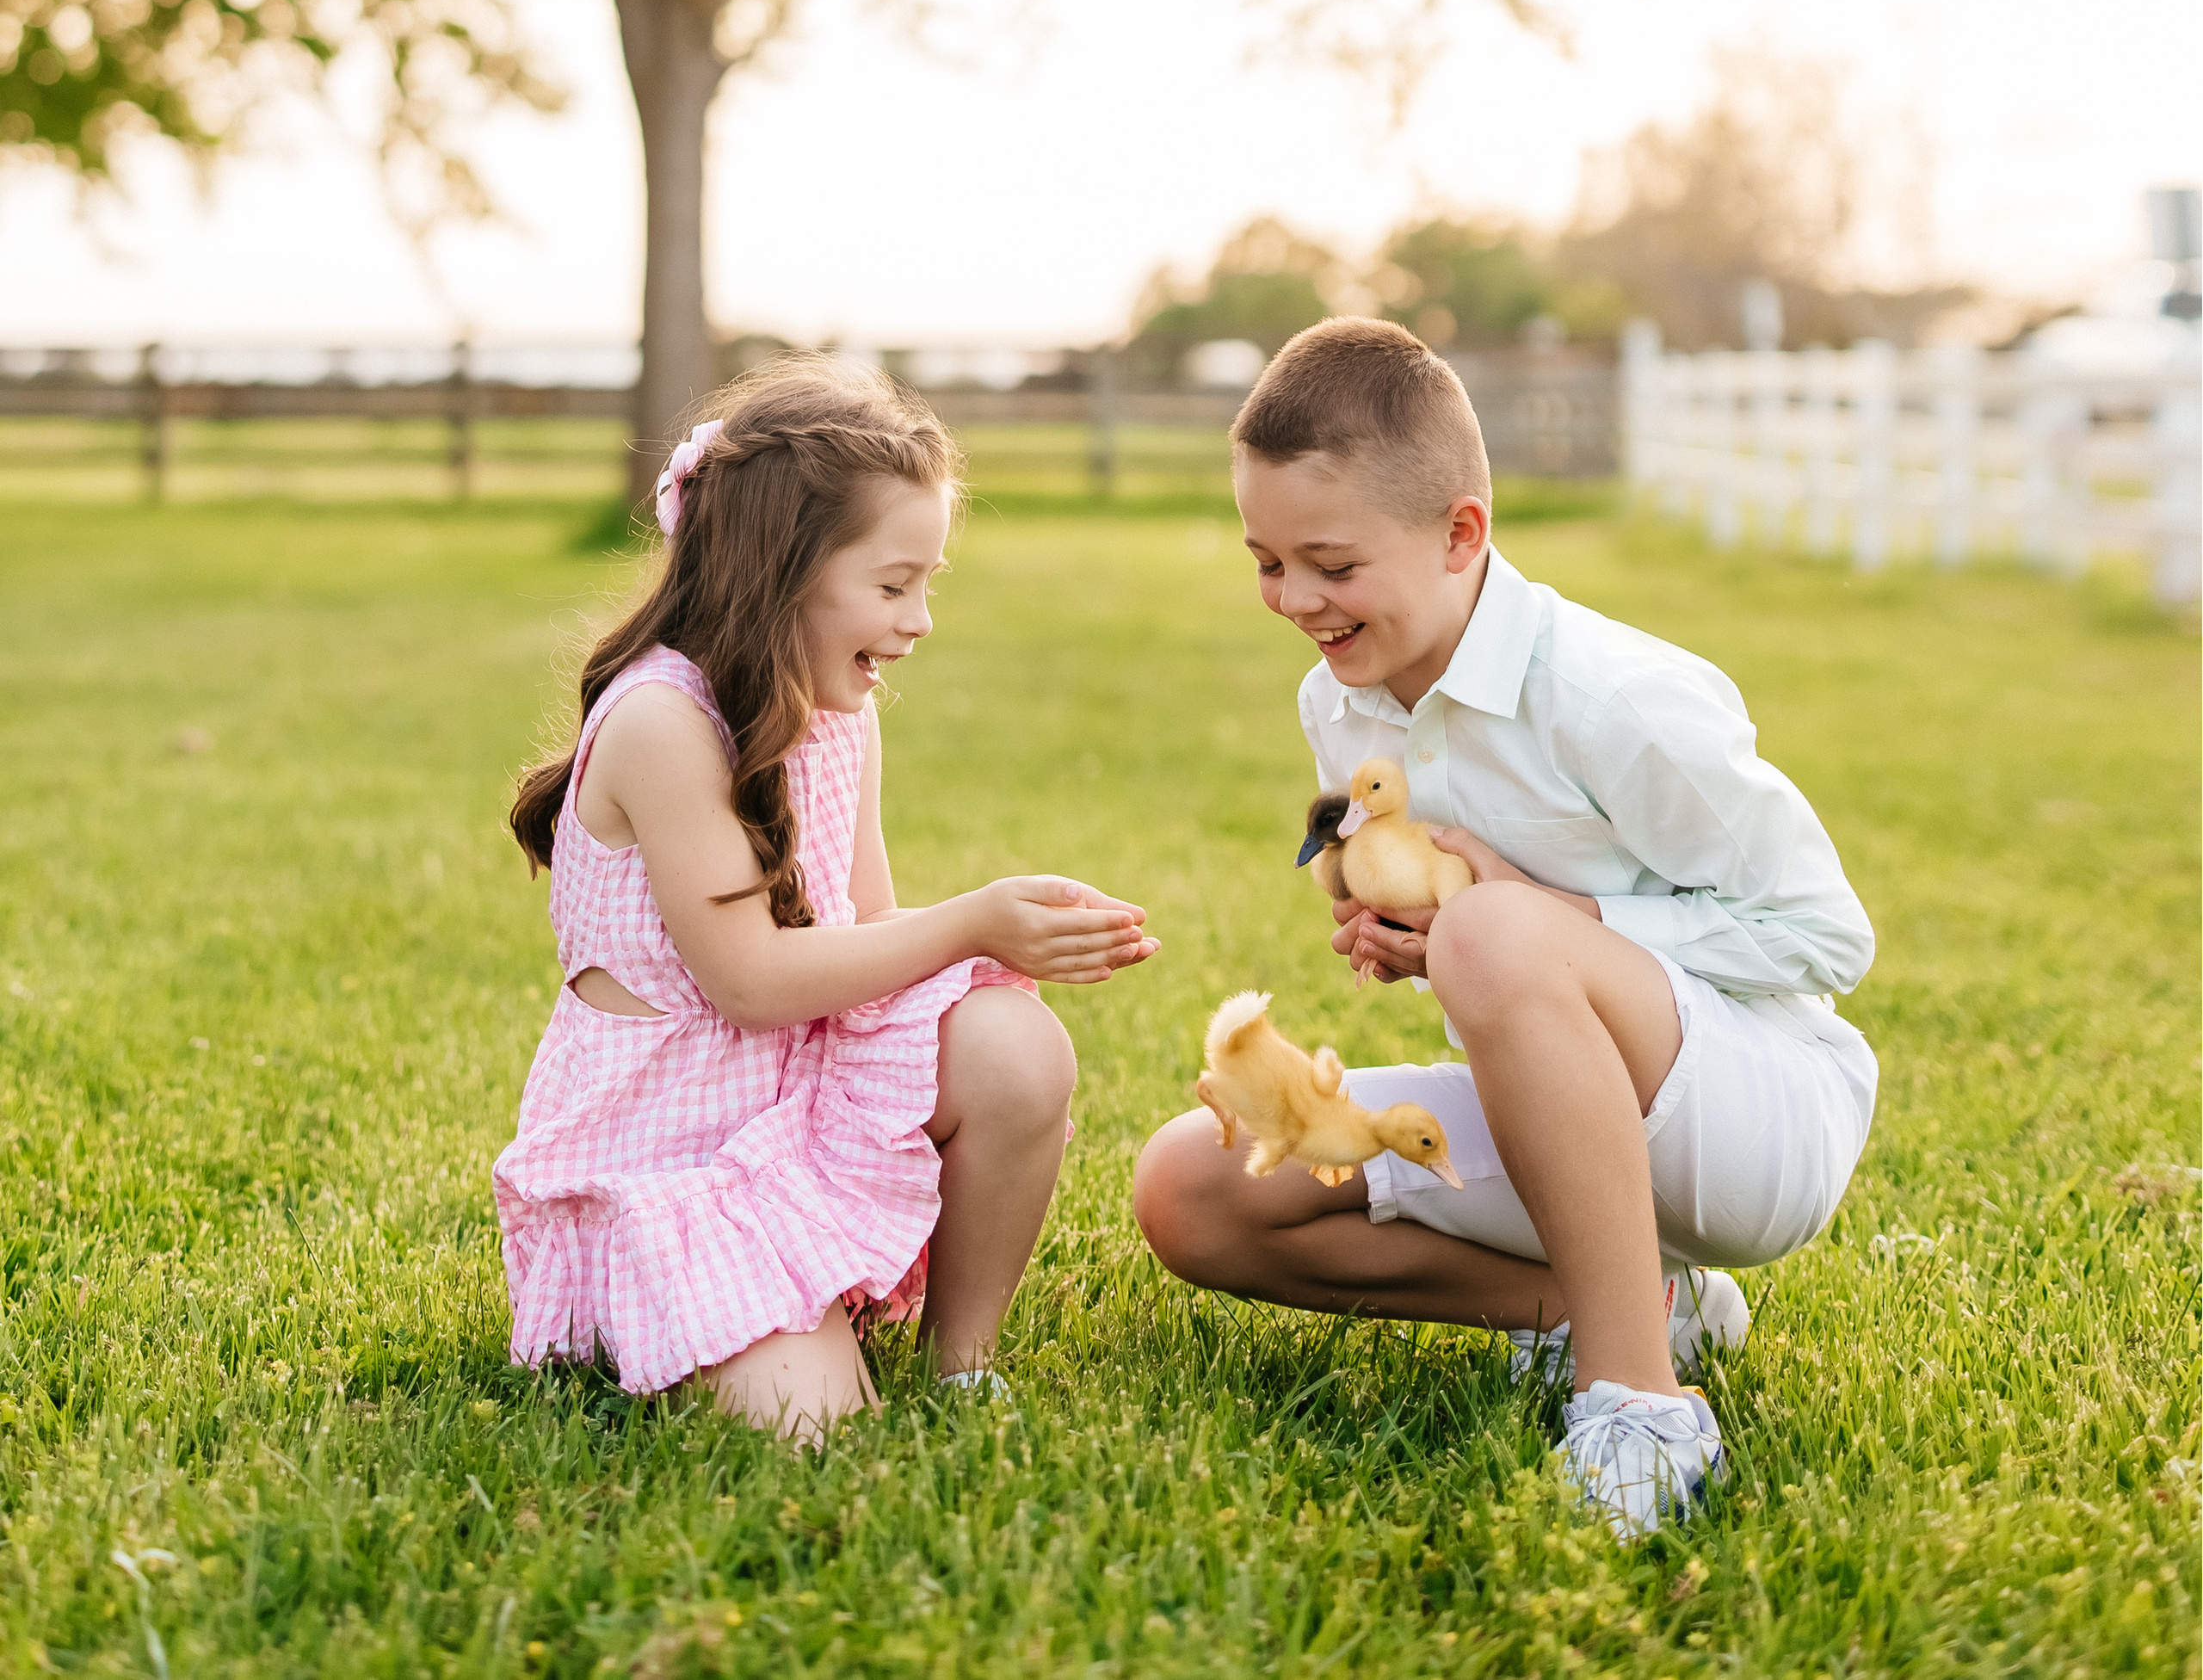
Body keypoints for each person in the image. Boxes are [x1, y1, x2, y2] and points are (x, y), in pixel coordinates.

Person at [1132, 318, 1878, 1535]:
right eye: (1265, 560)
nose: (1294, 599)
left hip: (1752, 1117)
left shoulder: (1613, 694)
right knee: (1193, 1186)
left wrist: (1544, 919)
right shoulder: (1343, 698)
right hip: (1564, 1127)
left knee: (1496, 935)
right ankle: (1638, 1305)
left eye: (1329, 562)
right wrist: (1400, 933)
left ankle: (1640, 1399)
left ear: (1460, 533)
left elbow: (1822, 935)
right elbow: (1490, 961)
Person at [496, 358, 1155, 1439]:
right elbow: (751, 982)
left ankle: (962, 1367)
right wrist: (975, 921)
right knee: (814, 1427)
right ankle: (708, 1310)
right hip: (670, 1161)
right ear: (782, 570)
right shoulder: (665, 721)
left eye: (927, 583)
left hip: (793, 1107)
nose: (921, 619)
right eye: (894, 585)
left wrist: (1003, 942)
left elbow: (866, 944)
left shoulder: (841, 710)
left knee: (1010, 1041)